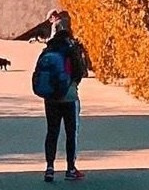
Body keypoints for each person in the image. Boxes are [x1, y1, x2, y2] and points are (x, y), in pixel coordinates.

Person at [42, 13, 85, 182]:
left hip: (51, 97)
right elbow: (79, 72)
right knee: (71, 132)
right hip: (69, 96)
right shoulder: (72, 48)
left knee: (52, 132)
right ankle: (70, 169)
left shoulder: (49, 48)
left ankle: (50, 168)